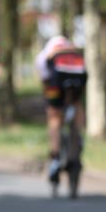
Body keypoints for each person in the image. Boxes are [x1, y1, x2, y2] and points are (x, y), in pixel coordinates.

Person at [34, 34, 87, 182]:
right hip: (77, 82)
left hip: (56, 84)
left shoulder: (43, 56)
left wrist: (51, 103)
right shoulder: (73, 51)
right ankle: (79, 135)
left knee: (54, 117)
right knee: (77, 105)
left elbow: (46, 81)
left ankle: (55, 159)